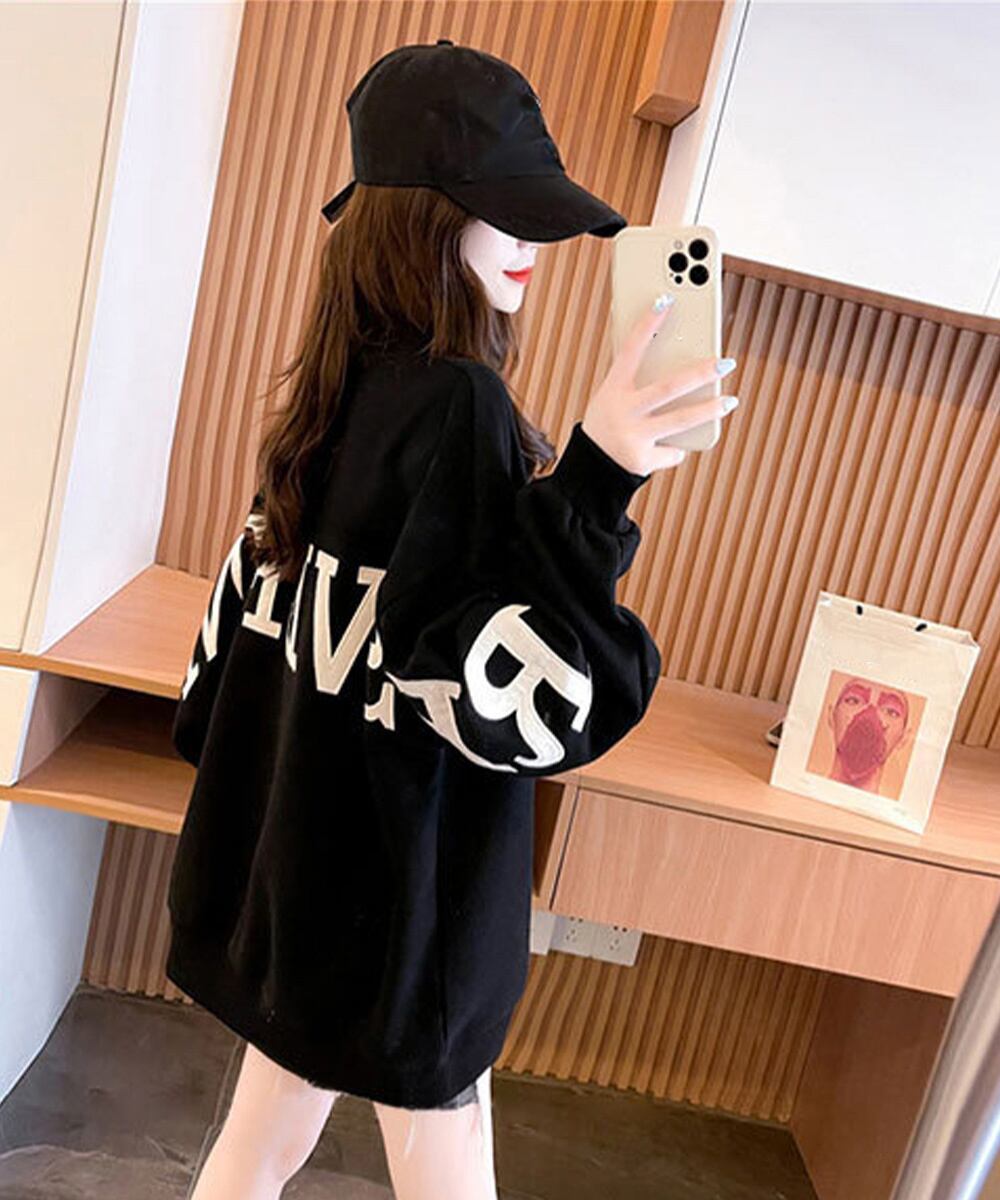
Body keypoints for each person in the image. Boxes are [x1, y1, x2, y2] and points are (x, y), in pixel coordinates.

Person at [166, 40, 741, 1200]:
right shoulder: (460, 401)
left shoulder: (334, 389)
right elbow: (510, 685)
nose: (531, 243)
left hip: (299, 877)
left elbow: (238, 656)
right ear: (424, 219)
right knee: (429, 1162)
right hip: (402, 903)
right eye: (503, 211)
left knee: (260, 1142)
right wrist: (597, 478)